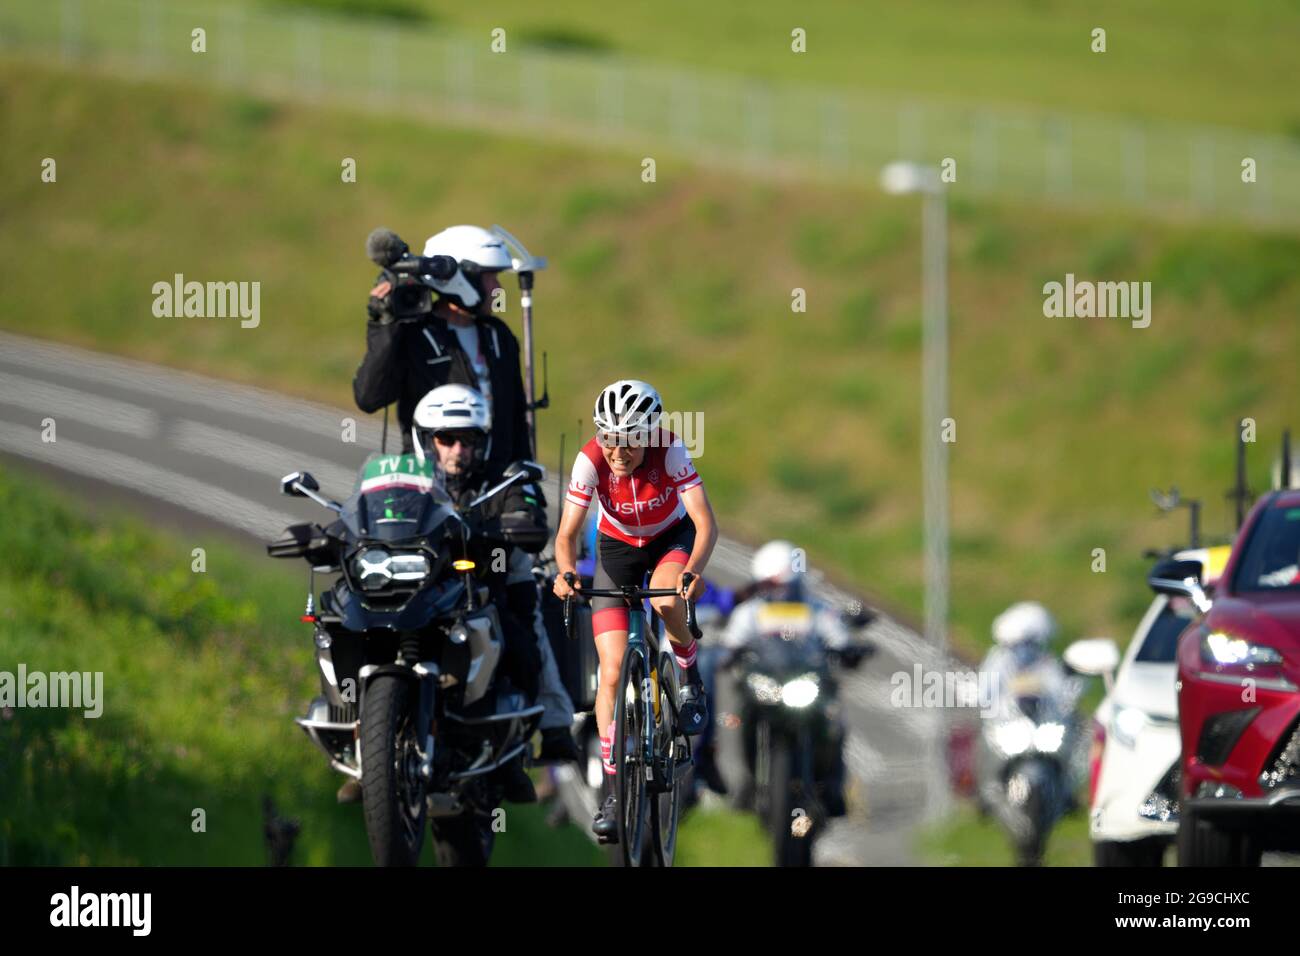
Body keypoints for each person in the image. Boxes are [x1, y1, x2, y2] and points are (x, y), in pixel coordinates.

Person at [551, 380, 718, 842]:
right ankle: (611, 789)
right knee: (608, 674)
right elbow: (566, 535)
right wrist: (566, 574)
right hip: (616, 548)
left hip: (670, 540)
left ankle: (690, 679)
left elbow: (705, 522)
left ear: (648, 434)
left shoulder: (670, 451)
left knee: (665, 600)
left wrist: (694, 571)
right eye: (608, 437)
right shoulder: (591, 459)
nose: (617, 451)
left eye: (627, 440)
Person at [352, 224, 531, 481]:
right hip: (425, 488)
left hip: (494, 492)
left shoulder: (499, 336)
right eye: (490, 277)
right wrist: (384, 327)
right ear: (462, 279)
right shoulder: (413, 335)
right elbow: (368, 397)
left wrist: (526, 489)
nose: (497, 288)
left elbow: (517, 424)